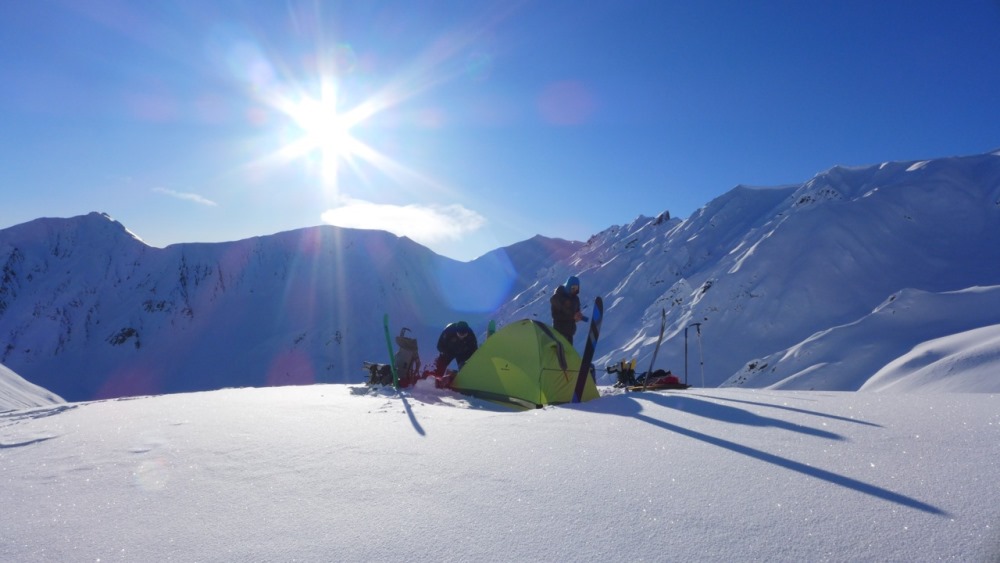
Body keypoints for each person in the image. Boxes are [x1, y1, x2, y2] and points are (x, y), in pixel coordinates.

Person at [550, 275, 584, 344]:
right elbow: (555, 315)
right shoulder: (558, 297)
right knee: (560, 353)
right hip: (559, 332)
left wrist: (578, 316)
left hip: (570, 332)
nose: (575, 290)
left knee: (568, 354)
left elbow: (576, 312)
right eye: (573, 288)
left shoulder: (576, 299)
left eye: (576, 288)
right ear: (568, 286)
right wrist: (572, 316)